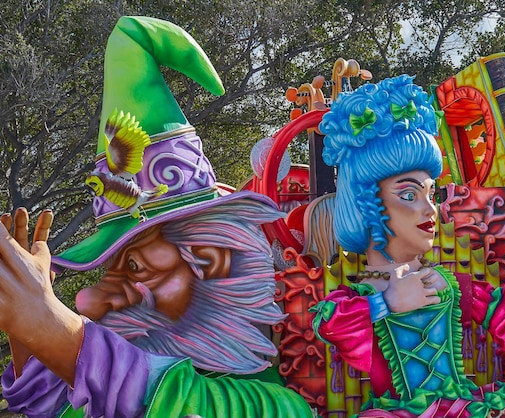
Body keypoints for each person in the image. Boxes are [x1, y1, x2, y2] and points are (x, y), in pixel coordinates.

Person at [0, 16, 313, 418]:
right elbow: (55, 404)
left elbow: (164, 397)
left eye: (135, 266)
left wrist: (47, 323)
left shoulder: (270, 406)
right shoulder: (107, 385)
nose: (89, 300)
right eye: (112, 268)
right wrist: (22, 322)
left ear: (209, 259)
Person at [310, 75, 505, 417]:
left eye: (431, 194)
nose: (429, 209)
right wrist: (385, 303)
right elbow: (331, 328)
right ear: (366, 205)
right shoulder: (358, 298)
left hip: (463, 407)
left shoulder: (449, 284)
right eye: (410, 195)